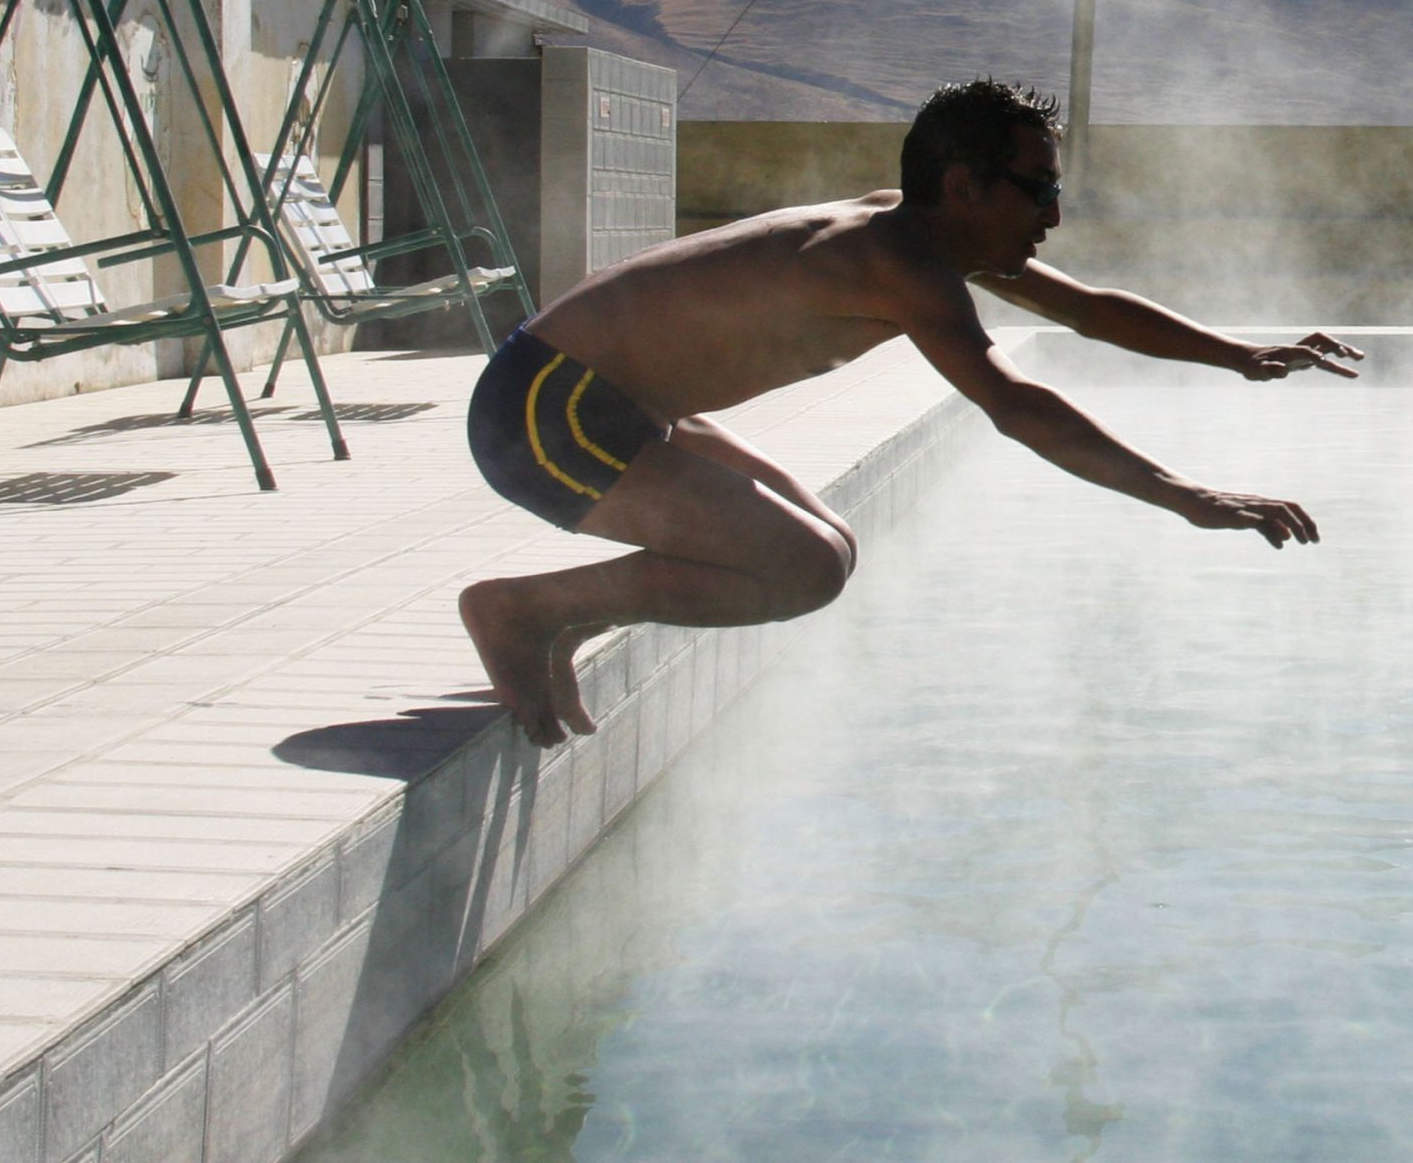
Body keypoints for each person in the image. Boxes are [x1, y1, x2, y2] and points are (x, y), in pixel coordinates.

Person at [460, 78, 1363, 745]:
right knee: (802, 568)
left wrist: (1239, 355)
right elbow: (1017, 405)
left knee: (831, 544)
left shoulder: (911, 230)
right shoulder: (899, 265)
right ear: (965, 186)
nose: (1053, 214)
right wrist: (1185, 496)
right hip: (546, 413)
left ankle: (566, 616)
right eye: (1040, 189)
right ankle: (523, 610)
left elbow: (1089, 311)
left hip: (607, 401)